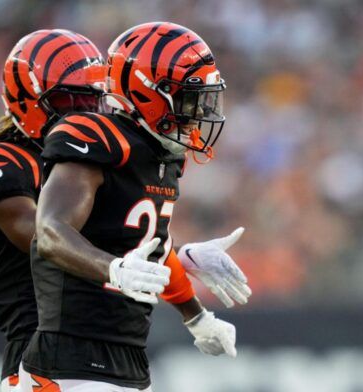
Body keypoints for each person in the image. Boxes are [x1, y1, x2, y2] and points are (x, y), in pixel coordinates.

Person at [19, 22, 250, 391]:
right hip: (70, 363)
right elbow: (49, 232)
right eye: (191, 99)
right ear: (149, 94)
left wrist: (196, 315)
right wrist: (113, 268)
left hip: (126, 363)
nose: (199, 112)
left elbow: (145, 247)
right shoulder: (96, 139)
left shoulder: (164, 157)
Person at [0, 29, 106, 391]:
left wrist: (178, 257)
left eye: (91, 101)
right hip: (38, 354)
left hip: (103, 351)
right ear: (27, 99)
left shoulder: (88, 161)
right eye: (68, 101)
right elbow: (47, 236)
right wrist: (127, 261)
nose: (83, 113)